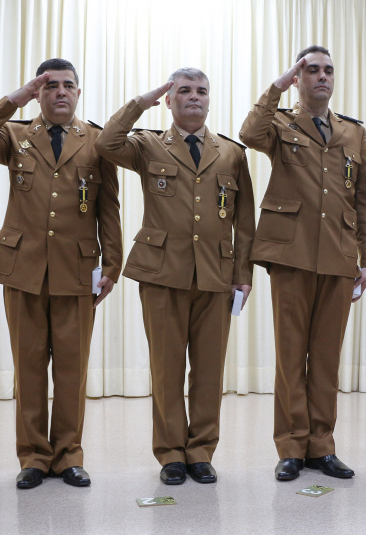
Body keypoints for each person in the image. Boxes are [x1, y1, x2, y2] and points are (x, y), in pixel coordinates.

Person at [0, 58, 122, 489]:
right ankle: (33, 456)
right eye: (50, 86)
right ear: (38, 93)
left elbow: (109, 207)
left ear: (79, 92)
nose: (60, 92)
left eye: (68, 85)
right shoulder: (16, 135)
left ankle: (68, 455)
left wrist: (113, 263)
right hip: (23, 269)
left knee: (72, 370)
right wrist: (13, 100)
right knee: (29, 369)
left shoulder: (98, 140)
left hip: (77, 270)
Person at [96, 68, 255, 485]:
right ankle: (170, 453)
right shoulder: (148, 145)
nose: (194, 97)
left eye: (202, 91)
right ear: (169, 100)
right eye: (184, 91)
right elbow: (106, 143)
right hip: (162, 272)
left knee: (209, 371)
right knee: (166, 369)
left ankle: (200, 452)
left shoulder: (231, 153)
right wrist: (139, 103)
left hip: (216, 275)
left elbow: (245, 221)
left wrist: (243, 273)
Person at [239, 46, 366, 482]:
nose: (322, 76)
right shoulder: (280, 122)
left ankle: (322, 446)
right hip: (291, 254)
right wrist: (276, 87)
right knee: (290, 356)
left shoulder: (353, 132)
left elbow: (363, 199)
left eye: (328, 70)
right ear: (298, 79)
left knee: (326, 359)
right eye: (312, 70)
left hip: (338, 255)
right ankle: (291, 447)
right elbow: (249, 133)